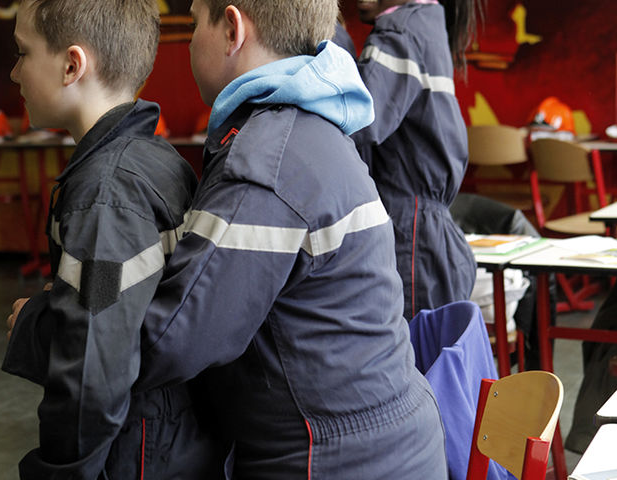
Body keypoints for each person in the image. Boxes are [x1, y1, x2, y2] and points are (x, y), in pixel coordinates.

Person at [132, 0, 447, 477]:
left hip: (332, 460)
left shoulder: (267, 162)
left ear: (232, 29)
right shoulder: (315, 126)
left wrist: (47, 328)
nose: (191, 39)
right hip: (386, 443)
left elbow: (173, 341)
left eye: (196, 23)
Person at [0, 0, 222, 478]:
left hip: (135, 451)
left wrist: (57, 471)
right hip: (179, 435)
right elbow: (123, 306)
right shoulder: (155, 158)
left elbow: (92, 370)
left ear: (71, 65)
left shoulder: (105, 196)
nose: (15, 73)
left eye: (22, 52)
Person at [352, 0, 481, 320]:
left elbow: (362, 121)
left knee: (413, 359)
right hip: (426, 233)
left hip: (410, 237)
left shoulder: (398, 33)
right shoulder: (426, 24)